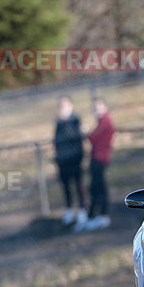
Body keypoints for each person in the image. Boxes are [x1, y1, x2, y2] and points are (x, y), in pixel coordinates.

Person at [76, 98, 115, 231]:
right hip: (96, 158)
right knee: (95, 187)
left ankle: (102, 215)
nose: (96, 111)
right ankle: (94, 215)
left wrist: (85, 132)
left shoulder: (105, 122)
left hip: (100, 158)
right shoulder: (101, 122)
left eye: (99, 108)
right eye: (95, 108)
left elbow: (93, 137)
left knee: (99, 187)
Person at [53, 95, 87, 225]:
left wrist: (66, 121)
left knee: (78, 186)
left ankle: (83, 211)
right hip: (63, 162)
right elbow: (57, 141)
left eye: (65, 105)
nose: (62, 108)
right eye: (61, 106)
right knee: (66, 187)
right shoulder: (58, 123)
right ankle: (69, 210)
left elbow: (74, 136)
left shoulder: (75, 120)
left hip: (75, 160)